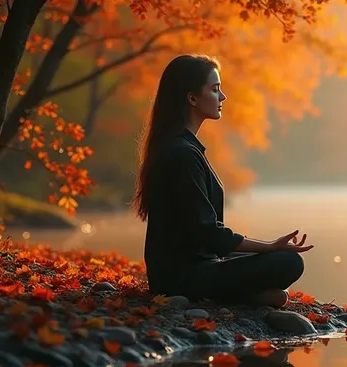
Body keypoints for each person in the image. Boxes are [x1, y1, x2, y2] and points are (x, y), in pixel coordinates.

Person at [131, 54, 313, 308]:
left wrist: (267, 248)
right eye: (215, 89)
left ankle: (239, 294)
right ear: (192, 98)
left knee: (279, 262)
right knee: (289, 262)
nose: (223, 96)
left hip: (194, 264)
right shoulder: (181, 153)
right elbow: (210, 234)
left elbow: (206, 239)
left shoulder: (183, 147)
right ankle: (226, 295)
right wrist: (270, 247)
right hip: (180, 277)